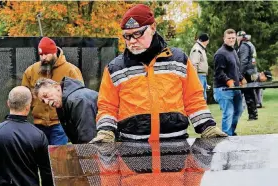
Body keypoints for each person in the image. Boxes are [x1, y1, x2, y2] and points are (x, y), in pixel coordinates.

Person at [91, 4, 226, 143]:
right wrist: (105, 132)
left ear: (153, 28)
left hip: (176, 145)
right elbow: (107, 106)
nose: (131, 41)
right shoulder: (115, 68)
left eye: (137, 33)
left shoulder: (179, 60)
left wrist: (207, 127)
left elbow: (193, 99)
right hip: (132, 148)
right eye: (126, 36)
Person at [22, 37, 83, 146]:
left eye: (46, 54)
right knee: (40, 159)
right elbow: (24, 96)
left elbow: (79, 96)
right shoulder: (31, 71)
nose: (43, 58)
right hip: (38, 124)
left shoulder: (71, 70)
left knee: (58, 158)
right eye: (41, 55)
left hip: (59, 124)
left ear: (54, 52)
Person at [33, 77, 98, 144]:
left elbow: (88, 137)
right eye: (43, 101)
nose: (46, 102)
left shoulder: (77, 100)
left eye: (46, 95)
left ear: (56, 87)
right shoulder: (64, 103)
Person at [213, 29, 247, 136]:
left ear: (236, 38)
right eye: (229, 38)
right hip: (223, 89)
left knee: (239, 110)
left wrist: (241, 78)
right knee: (228, 113)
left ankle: (230, 133)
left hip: (235, 88)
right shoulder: (220, 54)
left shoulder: (233, 51)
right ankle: (226, 137)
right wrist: (228, 80)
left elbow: (236, 69)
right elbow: (219, 72)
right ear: (224, 39)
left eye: (233, 38)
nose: (231, 40)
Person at [237, 31, 259, 120]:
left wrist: (240, 75)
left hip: (247, 73)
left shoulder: (243, 46)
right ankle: (254, 114)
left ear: (240, 37)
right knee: (251, 93)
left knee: (248, 94)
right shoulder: (250, 44)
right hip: (252, 71)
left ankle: (252, 115)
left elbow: (244, 61)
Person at [189, 33, 210, 100]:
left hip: (202, 75)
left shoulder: (200, 48)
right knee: (200, 97)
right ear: (206, 41)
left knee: (203, 96)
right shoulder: (197, 49)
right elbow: (194, 65)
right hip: (199, 75)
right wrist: (195, 79)